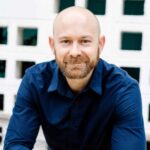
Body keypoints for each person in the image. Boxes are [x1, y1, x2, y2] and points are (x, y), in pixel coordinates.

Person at [4, 6, 146, 150]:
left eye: (85, 41)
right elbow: (17, 144)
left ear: (100, 44)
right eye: (66, 41)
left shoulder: (123, 90)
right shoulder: (34, 81)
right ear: (53, 45)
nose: (75, 52)